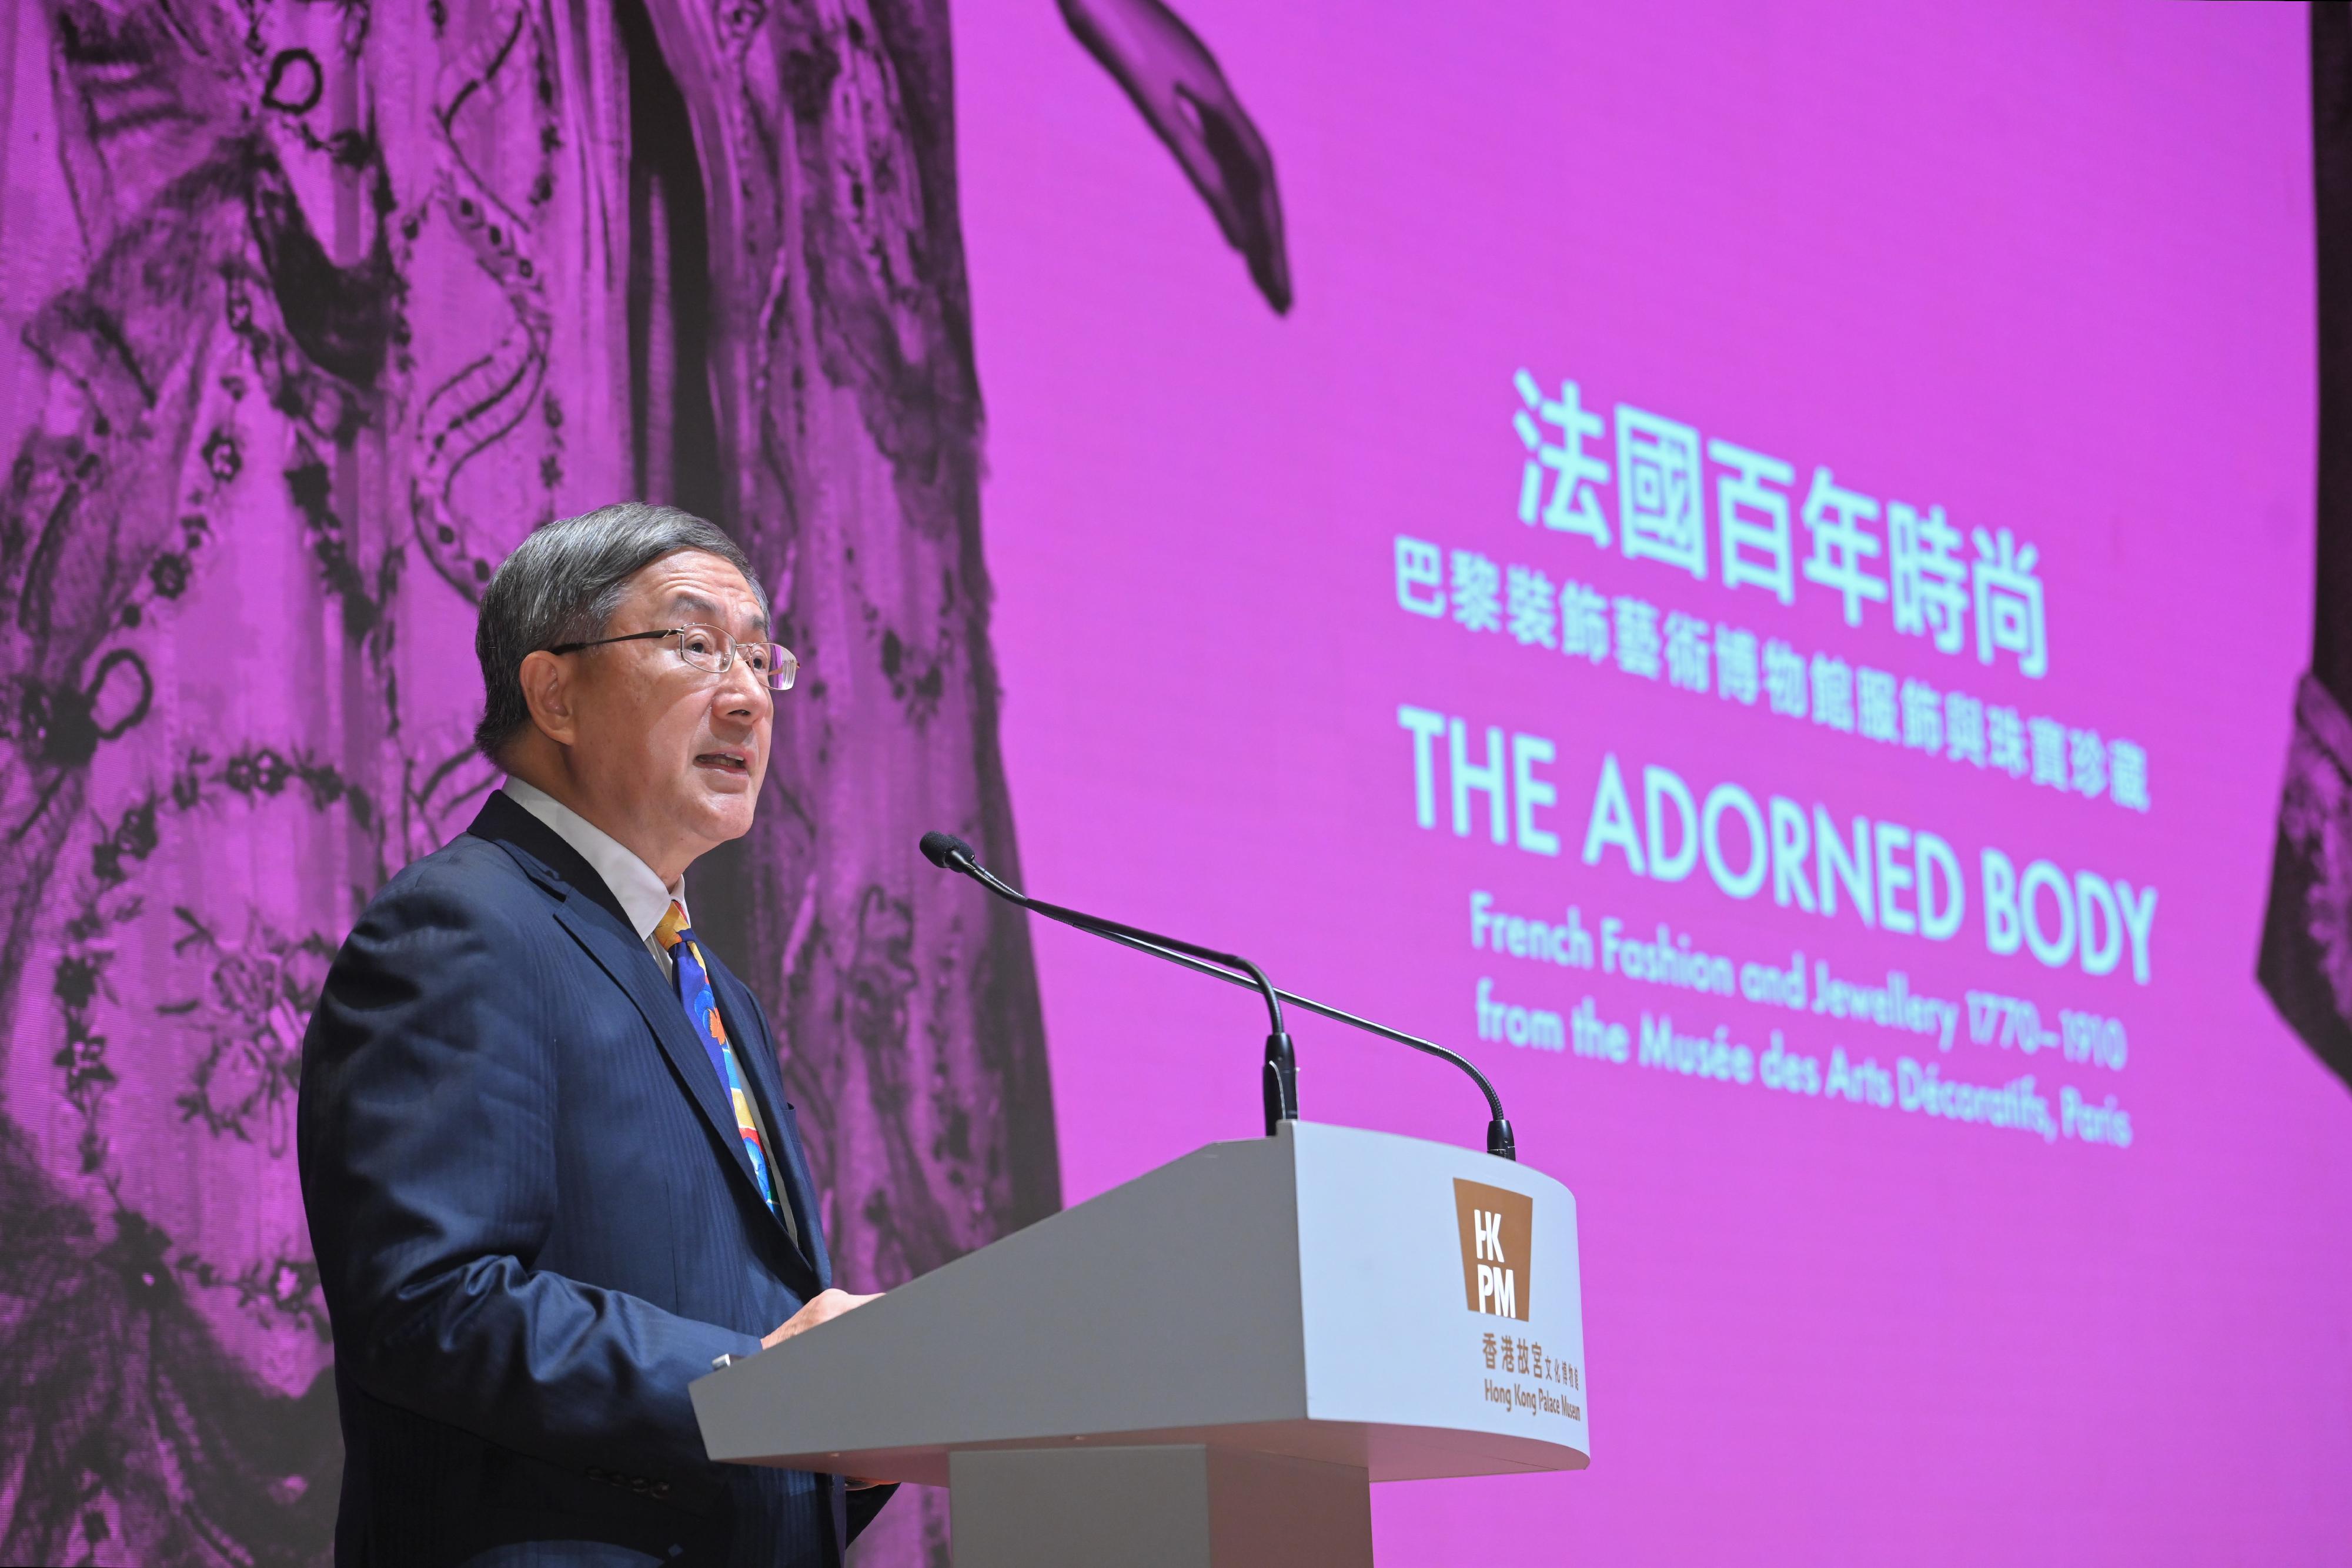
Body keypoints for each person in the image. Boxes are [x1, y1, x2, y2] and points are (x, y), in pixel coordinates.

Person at [298, 503, 893, 1566]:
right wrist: (753, 1386)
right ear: (555, 692)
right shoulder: (462, 928)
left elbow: (742, 1317)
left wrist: (859, 1430)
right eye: (694, 643)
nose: (749, 694)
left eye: (762, 657)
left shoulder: (715, 990)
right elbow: (429, 1303)